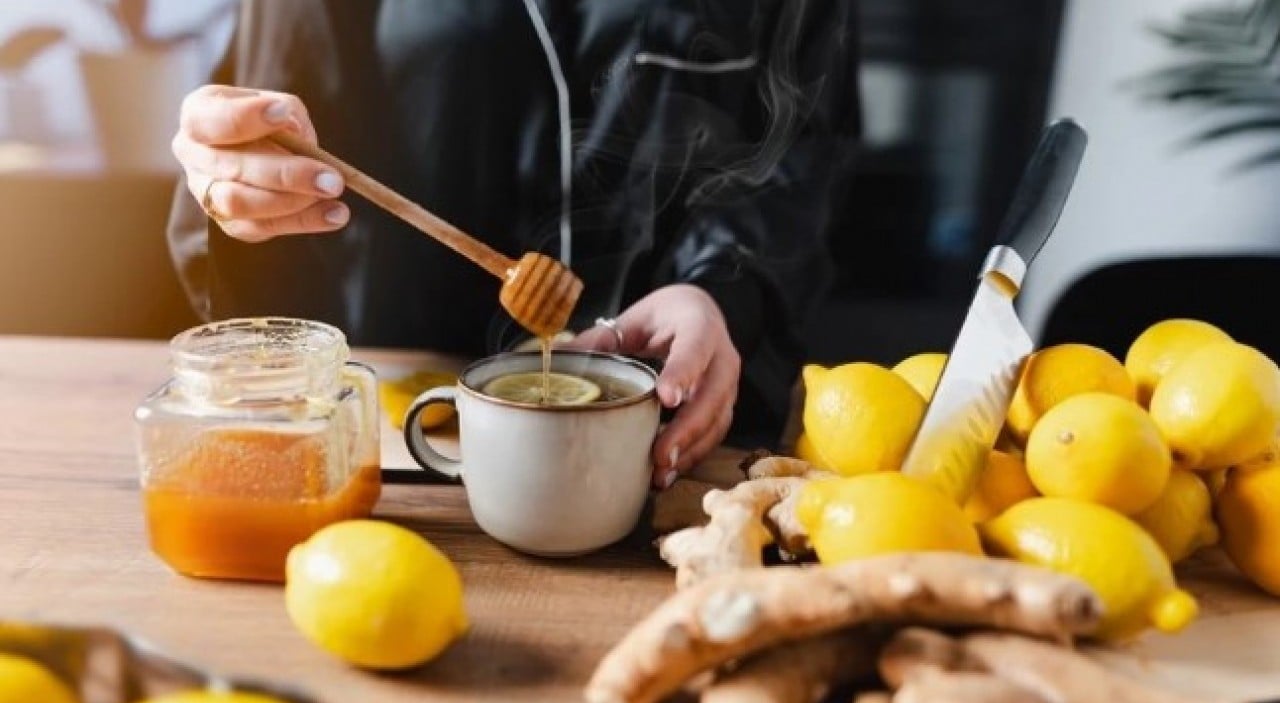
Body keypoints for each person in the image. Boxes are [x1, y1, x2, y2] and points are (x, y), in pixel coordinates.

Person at [167, 0, 862, 488]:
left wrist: (720, 290)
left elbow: (801, 157)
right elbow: (274, 123)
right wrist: (241, 181)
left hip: (682, 442)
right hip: (414, 447)